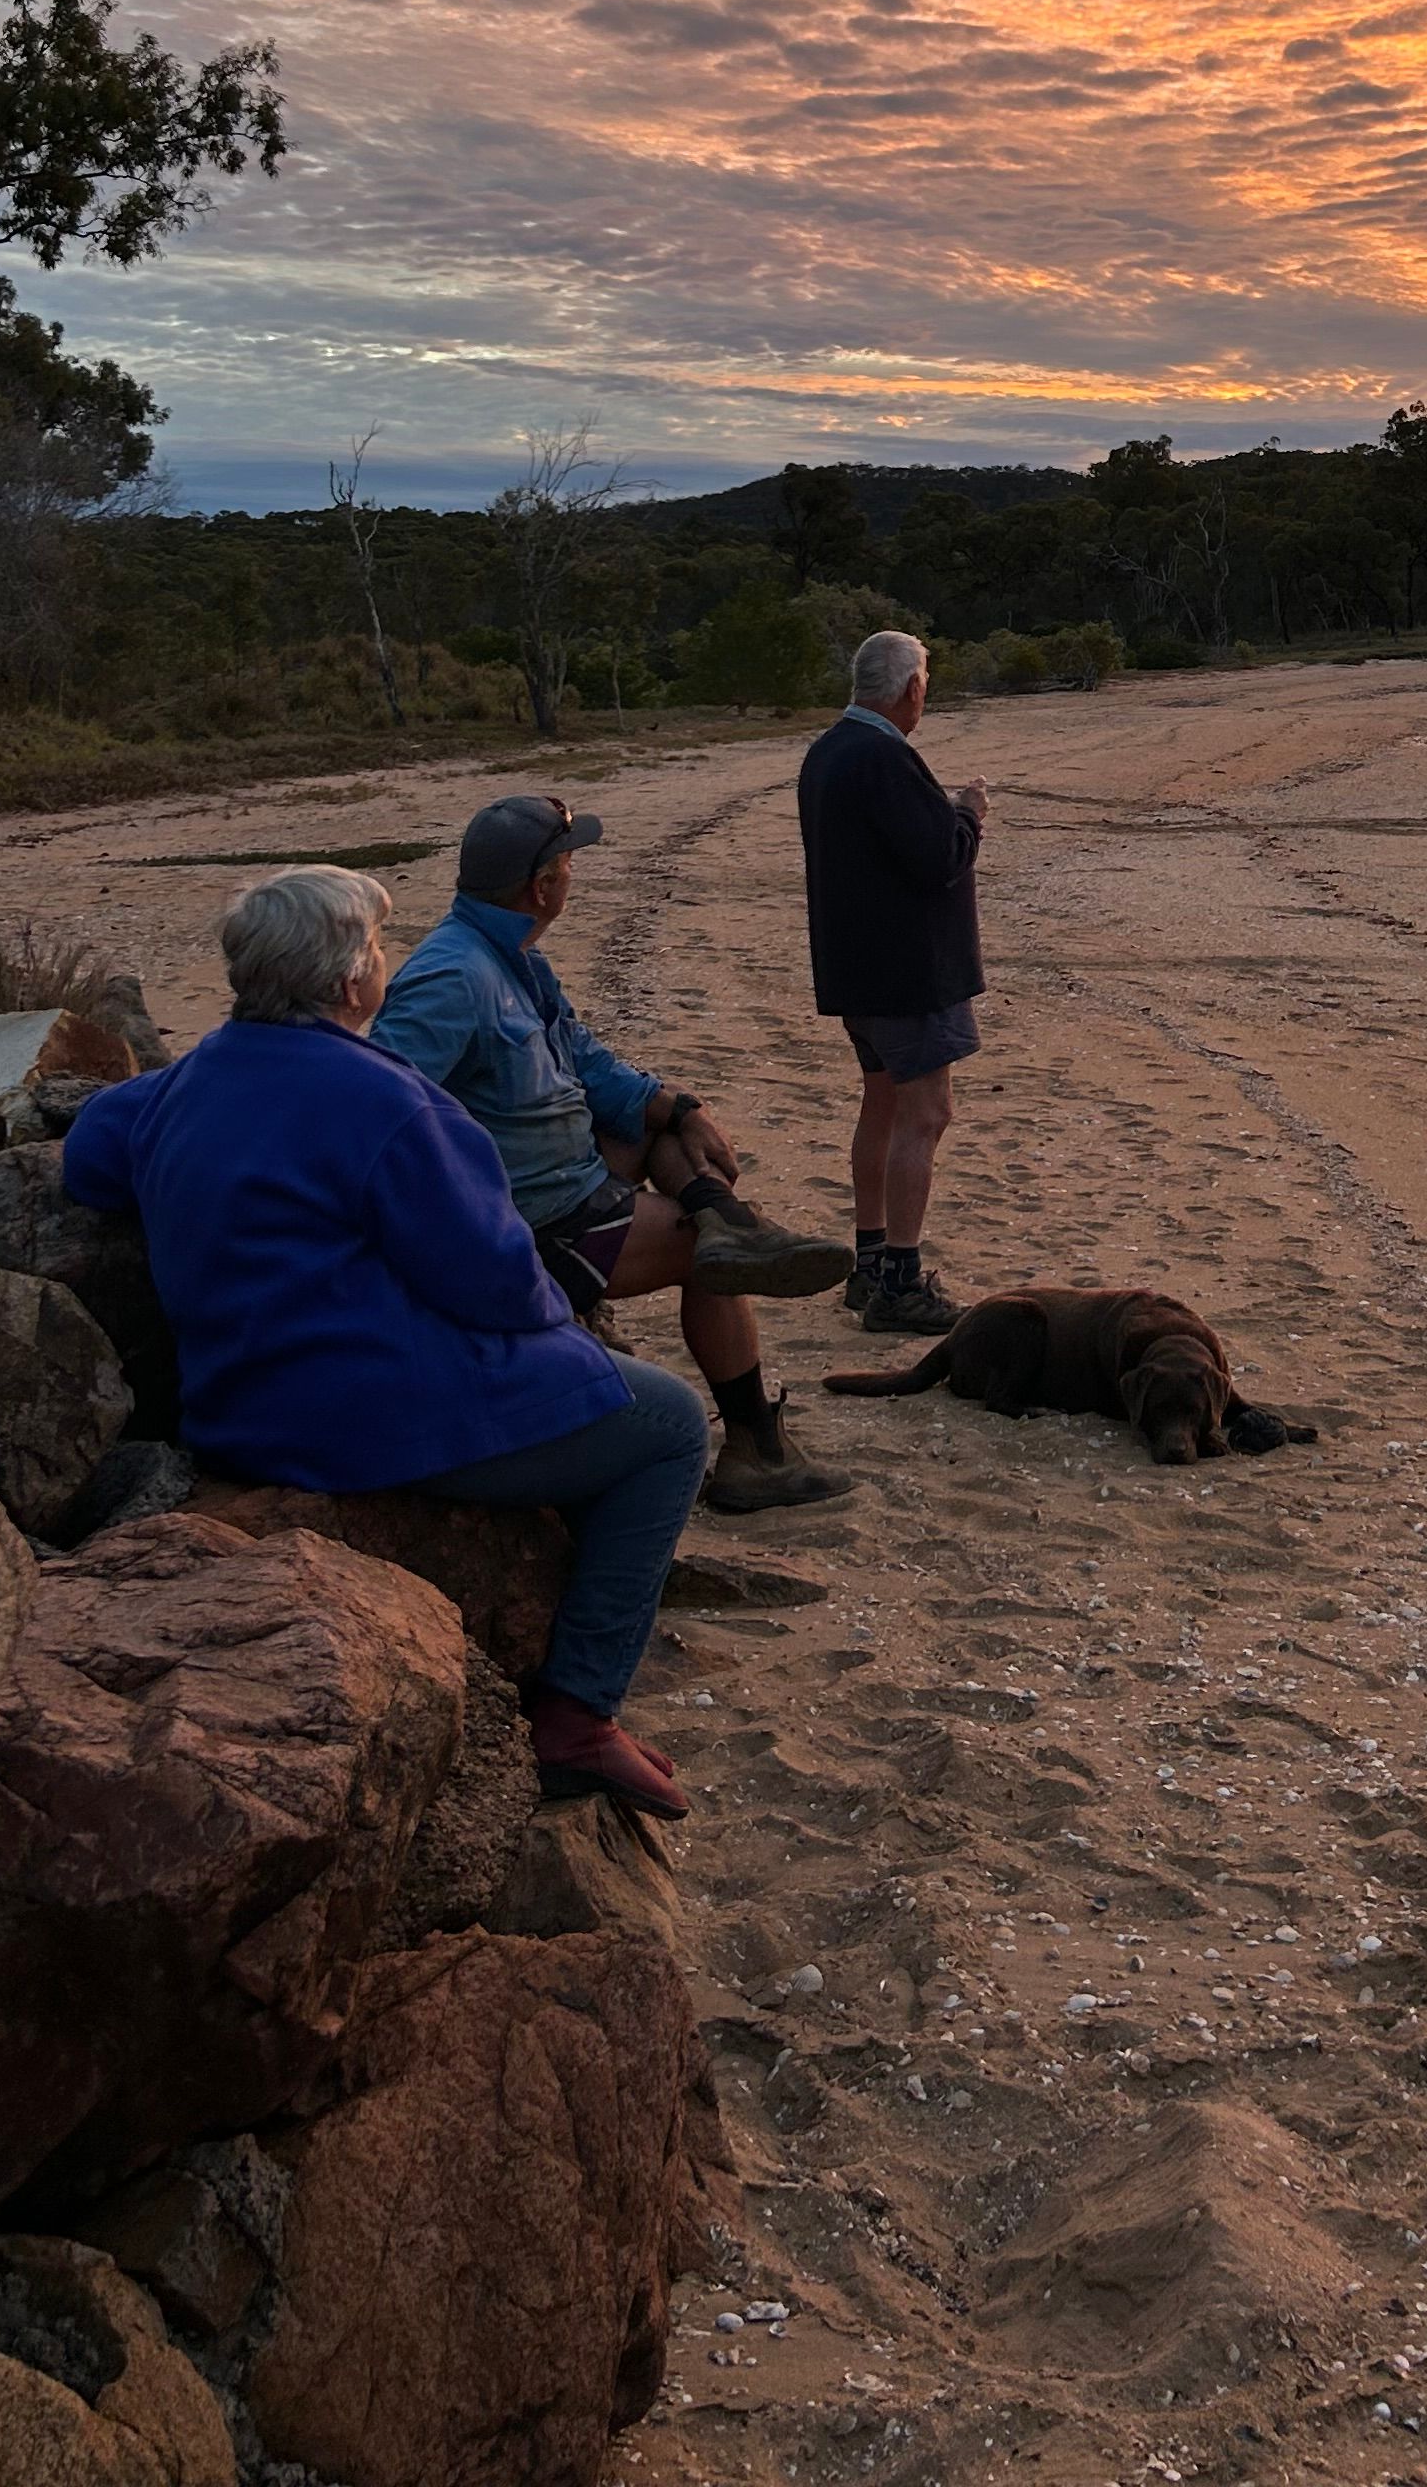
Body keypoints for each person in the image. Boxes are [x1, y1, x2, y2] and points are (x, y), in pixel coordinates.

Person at [63, 866, 702, 1818]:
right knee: (669, 1424)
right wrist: (559, 1329)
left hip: (232, 1409)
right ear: (353, 979)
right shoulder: (391, 1104)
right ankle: (577, 1714)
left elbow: (87, 1158)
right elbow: (495, 1279)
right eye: (376, 946)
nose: (383, 962)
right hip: (367, 1418)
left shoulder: (185, 1082)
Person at [372, 791, 853, 1516]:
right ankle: (756, 1449)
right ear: (542, 888)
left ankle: (726, 1219)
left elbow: (587, 1061)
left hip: (565, 1176)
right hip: (536, 1223)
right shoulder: (452, 979)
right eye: (569, 865)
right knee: (704, 1257)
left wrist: (682, 1106)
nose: (574, 875)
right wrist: (464, 1217)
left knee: (661, 1128)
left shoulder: (511, 958)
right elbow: (377, 1105)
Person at [796, 629, 987, 1337]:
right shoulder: (882, 756)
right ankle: (900, 1283)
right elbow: (938, 858)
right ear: (911, 688)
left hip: (858, 969)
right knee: (926, 1113)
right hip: (907, 973)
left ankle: (871, 1262)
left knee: (881, 1105)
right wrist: (967, 813)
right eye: (925, 685)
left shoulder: (829, 750)